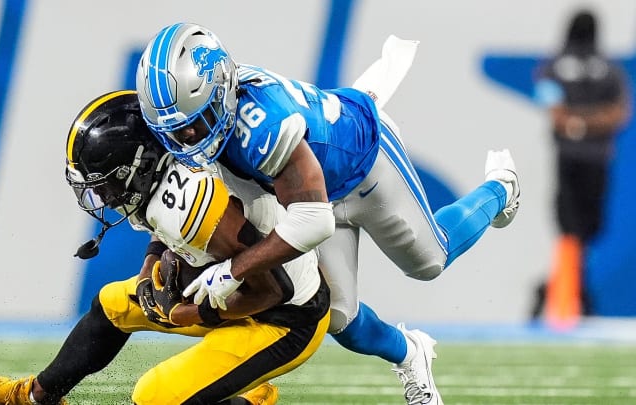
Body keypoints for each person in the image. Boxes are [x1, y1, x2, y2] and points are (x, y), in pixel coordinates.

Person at [136, 23, 521, 404]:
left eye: (194, 124)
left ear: (220, 90)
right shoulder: (211, 118)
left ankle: (501, 188)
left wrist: (232, 271)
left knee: (430, 262)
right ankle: (410, 352)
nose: (188, 139)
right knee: (339, 317)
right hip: (310, 196)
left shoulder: (261, 126)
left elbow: (314, 220)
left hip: (365, 166)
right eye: (176, 131)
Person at [0, 90, 331, 405]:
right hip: (237, 292)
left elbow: (273, 289)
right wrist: (149, 269)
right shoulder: (161, 174)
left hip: (285, 319)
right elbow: (162, 225)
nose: (99, 195)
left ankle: (249, 401)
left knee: (155, 397)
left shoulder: (193, 202)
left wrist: (191, 313)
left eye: (102, 184)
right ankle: (34, 398)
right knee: (114, 304)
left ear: (136, 166)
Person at [531, 9, 630, 320]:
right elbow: (619, 114)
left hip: (569, 158)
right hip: (597, 158)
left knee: (569, 227)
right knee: (584, 228)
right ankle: (569, 295)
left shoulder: (553, 68)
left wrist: (576, 125)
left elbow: (556, 113)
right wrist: (593, 123)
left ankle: (559, 292)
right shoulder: (610, 71)